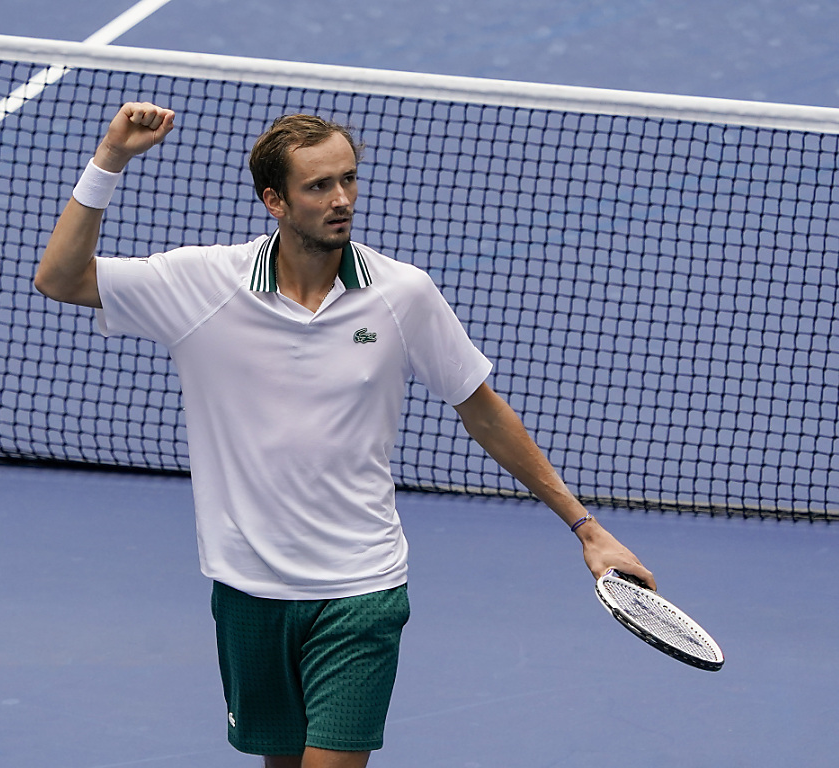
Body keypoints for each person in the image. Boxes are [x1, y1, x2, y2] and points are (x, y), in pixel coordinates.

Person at [35, 101, 655, 768]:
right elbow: (60, 278)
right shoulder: (201, 284)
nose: (342, 200)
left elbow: (483, 411)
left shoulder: (402, 294)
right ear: (274, 200)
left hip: (361, 588)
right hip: (247, 589)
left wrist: (586, 528)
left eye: (348, 179)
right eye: (319, 185)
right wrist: (111, 159)